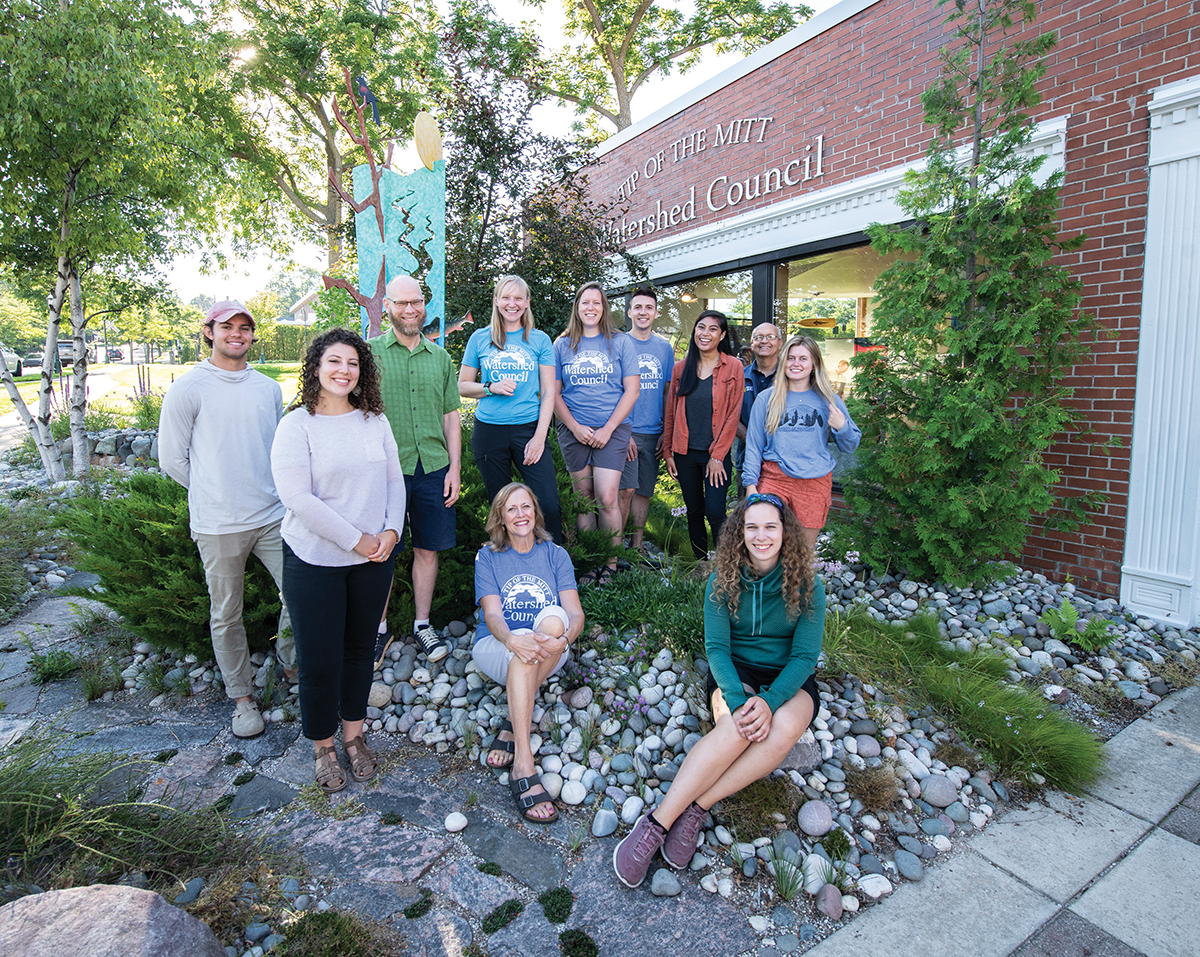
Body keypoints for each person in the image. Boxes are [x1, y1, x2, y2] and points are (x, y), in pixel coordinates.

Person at [613, 493, 824, 887]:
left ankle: (698, 806)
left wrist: (771, 701)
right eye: (752, 527)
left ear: (785, 532)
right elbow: (717, 649)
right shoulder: (721, 579)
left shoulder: (809, 584)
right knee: (736, 728)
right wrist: (744, 701)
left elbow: (804, 657)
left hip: (789, 677)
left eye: (770, 527)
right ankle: (657, 824)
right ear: (740, 533)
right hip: (735, 672)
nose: (761, 536)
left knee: (779, 733)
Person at [271, 328, 405, 793]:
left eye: (352, 363)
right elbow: (296, 498)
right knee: (319, 659)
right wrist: (358, 540)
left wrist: (390, 531)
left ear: (361, 370)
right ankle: (323, 747)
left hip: (375, 558)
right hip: (314, 561)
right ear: (316, 368)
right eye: (334, 362)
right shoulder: (297, 425)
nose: (344, 370)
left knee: (357, 653)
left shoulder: (374, 421)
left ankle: (354, 736)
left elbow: (394, 482)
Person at [159, 300, 295, 740]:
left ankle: (292, 666)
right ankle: (242, 699)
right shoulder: (189, 388)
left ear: (253, 335)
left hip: (272, 515)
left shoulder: (267, 388)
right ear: (209, 331)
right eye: (227, 326)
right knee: (226, 613)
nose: (237, 333)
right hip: (218, 523)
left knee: (300, 593)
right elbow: (171, 460)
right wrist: (213, 492)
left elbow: (275, 449)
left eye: (245, 327)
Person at [472, 483, 585, 822]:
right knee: (523, 642)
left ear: (535, 512)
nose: (520, 514)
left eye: (526, 507)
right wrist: (511, 639)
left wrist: (564, 641)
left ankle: (513, 723)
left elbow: (575, 615)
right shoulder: (488, 556)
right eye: (511, 509)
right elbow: (492, 615)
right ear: (501, 518)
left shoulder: (555, 554)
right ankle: (524, 762)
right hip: (496, 648)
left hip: (551, 649)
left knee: (554, 620)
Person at [370, 275, 462, 667]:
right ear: (386, 307)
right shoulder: (369, 354)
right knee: (382, 550)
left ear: (425, 305)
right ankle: (378, 629)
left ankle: (423, 624)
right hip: (386, 470)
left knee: (428, 548)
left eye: (417, 302)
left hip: (434, 468)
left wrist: (455, 466)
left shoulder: (440, 357)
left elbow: (451, 416)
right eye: (402, 303)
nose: (411, 310)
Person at [458, 275, 562, 543]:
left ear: (527, 302)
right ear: (496, 301)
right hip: (489, 432)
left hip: (528, 429)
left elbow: (549, 391)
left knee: (548, 505)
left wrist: (539, 438)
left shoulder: (539, 340)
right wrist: (490, 387)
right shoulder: (480, 338)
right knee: (502, 508)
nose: (511, 303)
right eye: (506, 297)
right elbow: (462, 386)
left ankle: (551, 566)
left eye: (518, 298)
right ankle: (507, 567)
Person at [553, 281, 639, 584]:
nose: (590, 308)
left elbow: (631, 390)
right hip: (573, 430)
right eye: (584, 302)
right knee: (583, 497)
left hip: (611, 431)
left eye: (596, 303)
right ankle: (589, 562)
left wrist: (608, 428)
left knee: (606, 496)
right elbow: (553, 392)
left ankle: (611, 563)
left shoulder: (620, 342)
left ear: (604, 308)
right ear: (577, 308)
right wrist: (575, 427)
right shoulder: (562, 344)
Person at [744, 335, 862, 551]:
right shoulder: (766, 399)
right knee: (766, 546)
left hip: (814, 482)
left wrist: (841, 426)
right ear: (783, 361)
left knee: (802, 551)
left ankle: (798, 586)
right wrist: (751, 486)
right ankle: (769, 585)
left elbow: (850, 446)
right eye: (790, 358)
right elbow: (753, 447)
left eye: (803, 359)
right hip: (774, 478)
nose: (796, 364)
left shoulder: (829, 400)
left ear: (814, 363)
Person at [661, 310, 744, 560]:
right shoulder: (680, 369)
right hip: (684, 454)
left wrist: (718, 457)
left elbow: (732, 416)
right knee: (694, 511)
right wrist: (668, 452)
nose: (705, 333)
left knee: (716, 510)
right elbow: (671, 414)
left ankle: (725, 565)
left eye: (712, 329)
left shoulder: (733, 367)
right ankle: (700, 564)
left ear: (722, 335)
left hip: (715, 456)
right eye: (701, 327)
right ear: (694, 331)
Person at [617, 287, 675, 554]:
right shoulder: (618, 343)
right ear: (629, 312)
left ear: (655, 313)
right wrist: (621, 430)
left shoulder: (664, 348)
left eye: (648, 308)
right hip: (624, 430)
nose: (643, 312)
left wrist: (666, 429)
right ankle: (616, 547)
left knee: (644, 492)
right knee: (624, 490)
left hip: (653, 430)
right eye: (637, 307)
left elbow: (667, 391)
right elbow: (613, 391)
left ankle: (637, 546)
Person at [735, 322, 783, 495]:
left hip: (783, 465)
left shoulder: (790, 379)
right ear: (752, 344)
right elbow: (732, 418)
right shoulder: (740, 377)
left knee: (783, 519)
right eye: (758, 337)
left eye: (770, 337)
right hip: (747, 461)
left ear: (780, 343)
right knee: (749, 516)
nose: (764, 341)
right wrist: (755, 444)